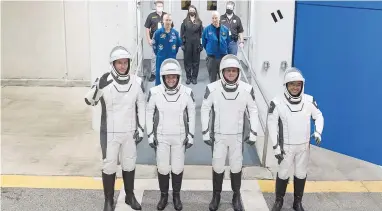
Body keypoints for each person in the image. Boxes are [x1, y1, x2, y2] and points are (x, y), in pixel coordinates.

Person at [84, 46, 145, 211]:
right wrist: (98, 87)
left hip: (129, 131)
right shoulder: (104, 80)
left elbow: (141, 106)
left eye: (125, 63)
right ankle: (108, 200)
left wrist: (141, 128)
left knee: (129, 164)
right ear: (113, 64)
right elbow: (89, 101)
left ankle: (129, 196)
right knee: (109, 165)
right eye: (119, 63)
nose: (123, 66)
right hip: (109, 132)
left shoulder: (137, 82)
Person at [201, 54, 258, 211]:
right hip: (219, 136)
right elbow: (205, 109)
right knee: (218, 166)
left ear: (238, 72)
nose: (231, 73)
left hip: (237, 137)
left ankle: (236, 195)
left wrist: (254, 132)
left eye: (234, 70)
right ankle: (216, 196)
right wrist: (205, 131)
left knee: (236, 167)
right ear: (222, 71)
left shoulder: (247, 89)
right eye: (228, 71)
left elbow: (253, 110)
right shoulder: (212, 89)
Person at [267, 67, 324, 211]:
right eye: (292, 84)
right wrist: (275, 146)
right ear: (286, 85)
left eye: (298, 84)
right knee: (283, 173)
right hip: (285, 147)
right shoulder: (277, 102)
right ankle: (279, 200)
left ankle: (297, 202)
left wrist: (318, 131)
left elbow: (318, 116)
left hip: (303, 146)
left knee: (301, 173)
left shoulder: (309, 100)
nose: (295, 87)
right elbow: (271, 125)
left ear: (302, 85)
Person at [146, 58, 196, 210]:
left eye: (174, 76)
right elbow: (148, 113)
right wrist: (150, 134)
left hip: (180, 137)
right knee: (162, 168)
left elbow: (192, 114)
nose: (171, 79)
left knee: (177, 167)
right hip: (161, 136)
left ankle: (176, 196)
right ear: (163, 77)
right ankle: (163, 196)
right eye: (168, 77)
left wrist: (191, 135)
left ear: (178, 77)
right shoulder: (154, 92)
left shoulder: (187, 92)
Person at [144, 0, 173, 82]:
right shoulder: (151, 16)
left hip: (165, 38)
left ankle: (164, 72)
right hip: (155, 38)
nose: (159, 7)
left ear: (163, 6)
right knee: (154, 57)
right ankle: (153, 73)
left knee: (165, 56)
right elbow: (147, 28)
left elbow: (170, 26)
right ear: (155, 6)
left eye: (160, 6)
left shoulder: (166, 15)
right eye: (158, 6)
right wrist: (149, 39)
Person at [152, 13, 182, 86]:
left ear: (171, 21)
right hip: (160, 58)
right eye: (166, 20)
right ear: (163, 21)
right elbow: (154, 45)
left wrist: (173, 53)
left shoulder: (175, 33)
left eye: (169, 20)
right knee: (160, 74)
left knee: (171, 74)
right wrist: (159, 54)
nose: (168, 22)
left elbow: (178, 45)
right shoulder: (158, 33)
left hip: (172, 58)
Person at [202, 11, 232, 83]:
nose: (214, 20)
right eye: (213, 18)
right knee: (212, 79)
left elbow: (228, 41)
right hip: (212, 58)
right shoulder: (206, 30)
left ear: (219, 19)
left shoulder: (225, 29)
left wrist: (223, 48)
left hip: (222, 57)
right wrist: (210, 50)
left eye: (216, 18)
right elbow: (204, 43)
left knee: (223, 78)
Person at [180, 5, 203, 85]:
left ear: (195, 11)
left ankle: (194, 78)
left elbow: (201, 35)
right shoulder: (185, 21)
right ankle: (188, 77)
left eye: (193, 10)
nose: (192, 11)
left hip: (196, 45)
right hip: (187, 44)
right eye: (190, 10)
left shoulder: (199, 22)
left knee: (196, 62)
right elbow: (182, 33)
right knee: (187, 62)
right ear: (188, 12)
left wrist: (201, 44)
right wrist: (182, 44)